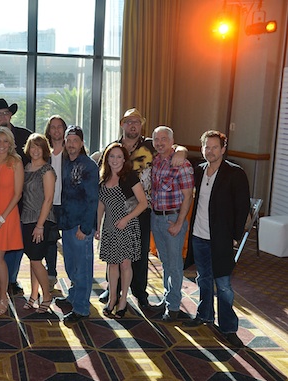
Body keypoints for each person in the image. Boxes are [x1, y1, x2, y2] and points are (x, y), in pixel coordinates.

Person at [97, 108, 187, 309]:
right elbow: (103, 175)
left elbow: (173, 147)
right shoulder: (114, 147)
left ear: (141, 125)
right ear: (122, 124)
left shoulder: (150, 145)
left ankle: (139, 291)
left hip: (142, 208)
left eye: (136, 121)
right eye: (128, 121)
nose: (132, 125)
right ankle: (113, 290)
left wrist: (181, 151)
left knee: (138, 252)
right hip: (115, 210)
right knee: (114, 252)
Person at [182, 130, 250, 348]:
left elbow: (242, 208)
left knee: (223, 285)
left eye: (214, 147)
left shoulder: (235, 173)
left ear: (223, 149)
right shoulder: (198, 171)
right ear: (202, 149)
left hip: (221, 238)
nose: (210, 151)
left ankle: (229, 327)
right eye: (206, 147)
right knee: (203, 278)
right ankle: (204, 315)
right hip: (199, 236)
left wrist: (235, 237)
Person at [0, 98, 32, 296]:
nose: (2, 116)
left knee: (14, 246)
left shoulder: (25, 135)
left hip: (17, 201)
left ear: (11, 115)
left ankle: (11, 280)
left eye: (5, 113)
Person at [96, 143, 148, 319]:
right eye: (112, 156)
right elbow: (101, 204)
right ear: (106, 159)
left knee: (125, 264)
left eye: (119, 157)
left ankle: (123, 300)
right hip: (110, 226)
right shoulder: (103, 177)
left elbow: (143, 203)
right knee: (112, 264)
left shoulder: (129, 177)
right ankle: (112, 299)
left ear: (124, 159)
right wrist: (97, 226)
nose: (115, 160)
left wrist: (126, 219)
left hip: (127, 226)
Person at [150, 126, 194, 322]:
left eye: (164, 139)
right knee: (165, 261)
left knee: (175, 265)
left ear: (171, 141)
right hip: (156, 218)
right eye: (156, 139)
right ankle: (168, 298)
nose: (160, 142)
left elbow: (188, 197)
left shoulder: (182, 164)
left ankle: (174, 306)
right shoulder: (157, 161)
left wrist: (179, 223)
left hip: (173, 219)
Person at [56, 125, 99, 323]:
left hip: (81, 226)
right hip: (66, 223)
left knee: (83, 267)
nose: (71, 144)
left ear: (81, 143)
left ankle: (81, 308)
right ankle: (73, 296)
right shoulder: (64, 162)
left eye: (75, 141)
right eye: (69, 140)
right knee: (70, 265)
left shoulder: (89, 166)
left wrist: (85, 227)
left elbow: (92, 199)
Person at [0, 127, 24, 315]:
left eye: (5, 141)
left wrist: (1, 217)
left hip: (6, 216)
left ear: (10, 143)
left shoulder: (15, 162)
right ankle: (0, 295)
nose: (2, 145)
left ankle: (4, 296)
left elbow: (17, 194)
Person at [21, 133, 56, 314]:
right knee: (33, 260)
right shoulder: (26, 167)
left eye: (39, 146)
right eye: (32, 146)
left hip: (41, 220)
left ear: (44, 149)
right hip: (25, 218)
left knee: (36, 259)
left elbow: (49, 199)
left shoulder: (47, 170)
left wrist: (40, 225)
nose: (35, 150)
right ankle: (33, 295)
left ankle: (47, 296)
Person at [43, 115, 67, 290]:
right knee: (50, 241)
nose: (56, 130)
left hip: (67, 204)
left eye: (60, 127)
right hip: (49, 204)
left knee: (70, 241)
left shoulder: (72, 150)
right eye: (53, 127)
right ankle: (51, 274)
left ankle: (75, 278)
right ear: (48, 130)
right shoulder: (44, 153)